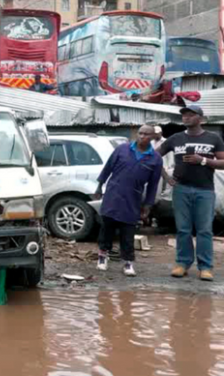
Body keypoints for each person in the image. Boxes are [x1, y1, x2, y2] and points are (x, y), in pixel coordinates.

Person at [157, 105, 224, 281]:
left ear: (200, 118)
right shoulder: (176, 138)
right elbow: (154, 156)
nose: (186, 117)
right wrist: (166, 177)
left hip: (205, 190)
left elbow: (223, 162)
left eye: (190, 115)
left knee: (204, 230)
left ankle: (205, 267)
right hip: (181, 189)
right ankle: (182, 264)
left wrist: (203, 160)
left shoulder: (213, 138)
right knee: (183, 229)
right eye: (184, 115)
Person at [94, 125, 162, 276]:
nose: (142, 136)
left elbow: (153, 184)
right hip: (113, 194)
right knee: (107, 227)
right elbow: (107, 168)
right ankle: (102, 257)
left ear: (152, 137)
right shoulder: (122, 149)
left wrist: (148, 205)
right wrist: (99, 187)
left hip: (133, 198)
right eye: (140, 133)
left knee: (128, 230)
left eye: (146, 134)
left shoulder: (155, 159)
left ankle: (128, 262)